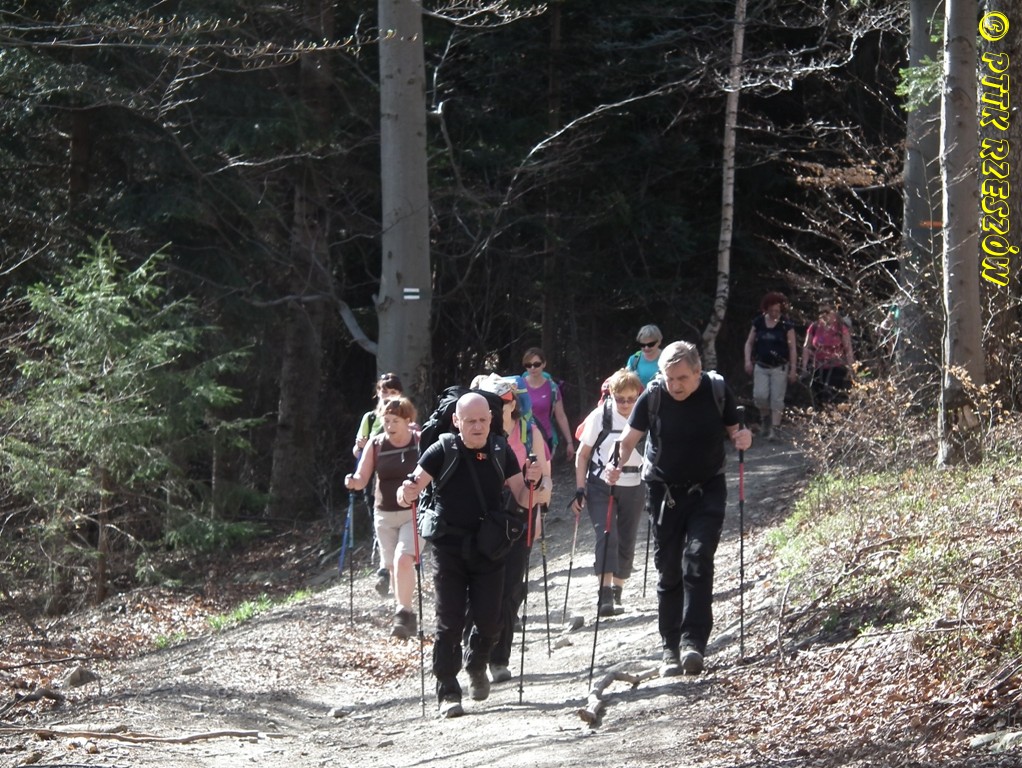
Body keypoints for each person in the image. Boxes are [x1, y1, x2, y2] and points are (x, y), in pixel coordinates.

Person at [398, 393, 544, 718]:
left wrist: (535, 482)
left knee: (490, 619)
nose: (477, 427)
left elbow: (523, 496)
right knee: (449, 621)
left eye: (482, 420)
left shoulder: (500, 450)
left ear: (491, 420)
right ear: (456, 421)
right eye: (470, 421)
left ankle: (477, 664)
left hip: (489, 547)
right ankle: (448, 690)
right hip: (448, 548)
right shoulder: (442, 450)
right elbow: (410, 489)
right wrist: (405, 492)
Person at [614, 341, 752, 678]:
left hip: (708, 488)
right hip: (664, 492)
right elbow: (628, 440)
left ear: (698, 372)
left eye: (682, 378)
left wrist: (743, 438)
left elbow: (736, 431)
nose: (674, 385)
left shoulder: (716, 390)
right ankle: (670, 648)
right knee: (669, 570)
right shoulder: (653, 395)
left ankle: (694, 644)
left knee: (699, 559)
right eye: (669, 377)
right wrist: (615, 466)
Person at [468, 374, 552, 684]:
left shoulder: (529, 432)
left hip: (519, 513)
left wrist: (539, 506)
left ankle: (499, 658)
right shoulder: (473, 432)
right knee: (477, 587)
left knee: (512, 587)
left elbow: (545, 477)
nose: (498, 405)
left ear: (512, 402)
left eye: (503, 400)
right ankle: (475, 652)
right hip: (480, 514)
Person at [344, 397, 421, 639]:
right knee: (392, 565)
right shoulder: (376, 444)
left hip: (413, 512)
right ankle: (407, 613)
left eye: (395, 421)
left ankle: (402, 613)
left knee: (403, 559)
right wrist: (353, 482)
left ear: (408, 420)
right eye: (386, 421)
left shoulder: (419, 441)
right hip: (384, 514)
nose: (389, 426)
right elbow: (362, 477)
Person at [572, 369, 645, 617]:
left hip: (634, 482)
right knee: (606, 534)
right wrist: (580, 489)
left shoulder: (644, 415)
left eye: (631, 399)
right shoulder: (600, 416)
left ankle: (617, 589)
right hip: (600, 484)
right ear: (611, 395)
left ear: (638, 396)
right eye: (620, 399)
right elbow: (582, 455)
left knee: (627, 537)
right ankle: (604, 594)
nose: (625, 404)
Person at [351, 372, 404, 596]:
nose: (387, 395)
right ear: (378, 393)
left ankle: (393, 569)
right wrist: (360, 446)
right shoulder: (370, 419)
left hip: (400, 479)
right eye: (384, 391)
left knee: (400, 525)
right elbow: (357, 452)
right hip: (374, 481)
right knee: (380, 525)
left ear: (399, 394)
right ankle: (385, 569)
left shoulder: (405, 416)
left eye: (392, 391)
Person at [743, 293, 797, 441]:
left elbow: (792, 348)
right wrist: (747, 361)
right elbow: (749, 343)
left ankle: (775, 429)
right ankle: (765, 418)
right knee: (759, 396)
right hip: (761, 366)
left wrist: (793, 369)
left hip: (779, 367)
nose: (774, 313)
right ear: (766, 309)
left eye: (777, 311)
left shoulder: (786, 324)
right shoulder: (758, 322)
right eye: (771, 310)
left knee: (777, 399)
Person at [521, 347, 575, 461]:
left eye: (536, 364)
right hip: (523, 438)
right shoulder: (518, 386)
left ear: (544, 364)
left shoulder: (552, 388)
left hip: (545, 437)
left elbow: (561, 416)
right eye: (528, 365)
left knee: (544, 471)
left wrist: (569, 442)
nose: (532, 368)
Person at [801, 302, 855, 404]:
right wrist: (804, 367)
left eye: (826, 312)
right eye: (821, 312)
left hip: (837, 368)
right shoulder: (815, 327)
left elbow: (848, 349)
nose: (823, 315)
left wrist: (851, 368)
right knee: (817, 397)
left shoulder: (840, 328)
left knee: (833, 397)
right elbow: (806, 346)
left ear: (833, 312)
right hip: (818, 368)